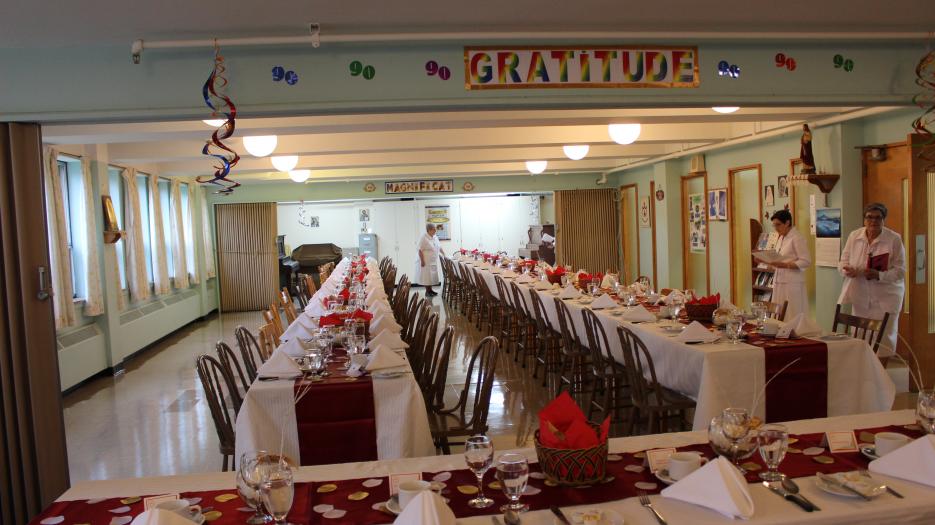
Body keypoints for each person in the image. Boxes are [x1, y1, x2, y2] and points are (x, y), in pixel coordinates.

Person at [837, 203, 905, 357]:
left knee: (883, 338)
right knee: (861, 334)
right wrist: (847, 270)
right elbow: (842, 261)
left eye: (878, 218)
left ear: (884, 220)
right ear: (864, 219)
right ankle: (864, 370)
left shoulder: (894, 239)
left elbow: (900, 271)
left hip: (886, 296)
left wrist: (879, 275)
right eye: (869, 217)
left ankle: (882, 373)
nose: (873, 221)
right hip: (860, 293)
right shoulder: (855, 236)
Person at [756, 210, 811, 320]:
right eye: (774, 225)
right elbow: (777, 259)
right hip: (779, 280)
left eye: (778, 225)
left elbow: (806, 261)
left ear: (787, 223)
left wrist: (785, 265)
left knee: (792, 313)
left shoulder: (797, 238)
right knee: (779, 313)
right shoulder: (781, 237)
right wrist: (764, 261)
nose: (776, 228)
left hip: (792, 282)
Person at [414, 224, 444, 296]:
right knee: (426, 276)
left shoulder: (435, 237)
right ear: (429, 230)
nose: (435, 231)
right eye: (434, 229)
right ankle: (427, 291)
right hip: (425, 260)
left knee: (431, 276)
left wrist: (444, 254)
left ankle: (430, 290)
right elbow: (419, 250)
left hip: (432, 260)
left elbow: (439, 247)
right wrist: (422, 261)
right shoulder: (423, 237)